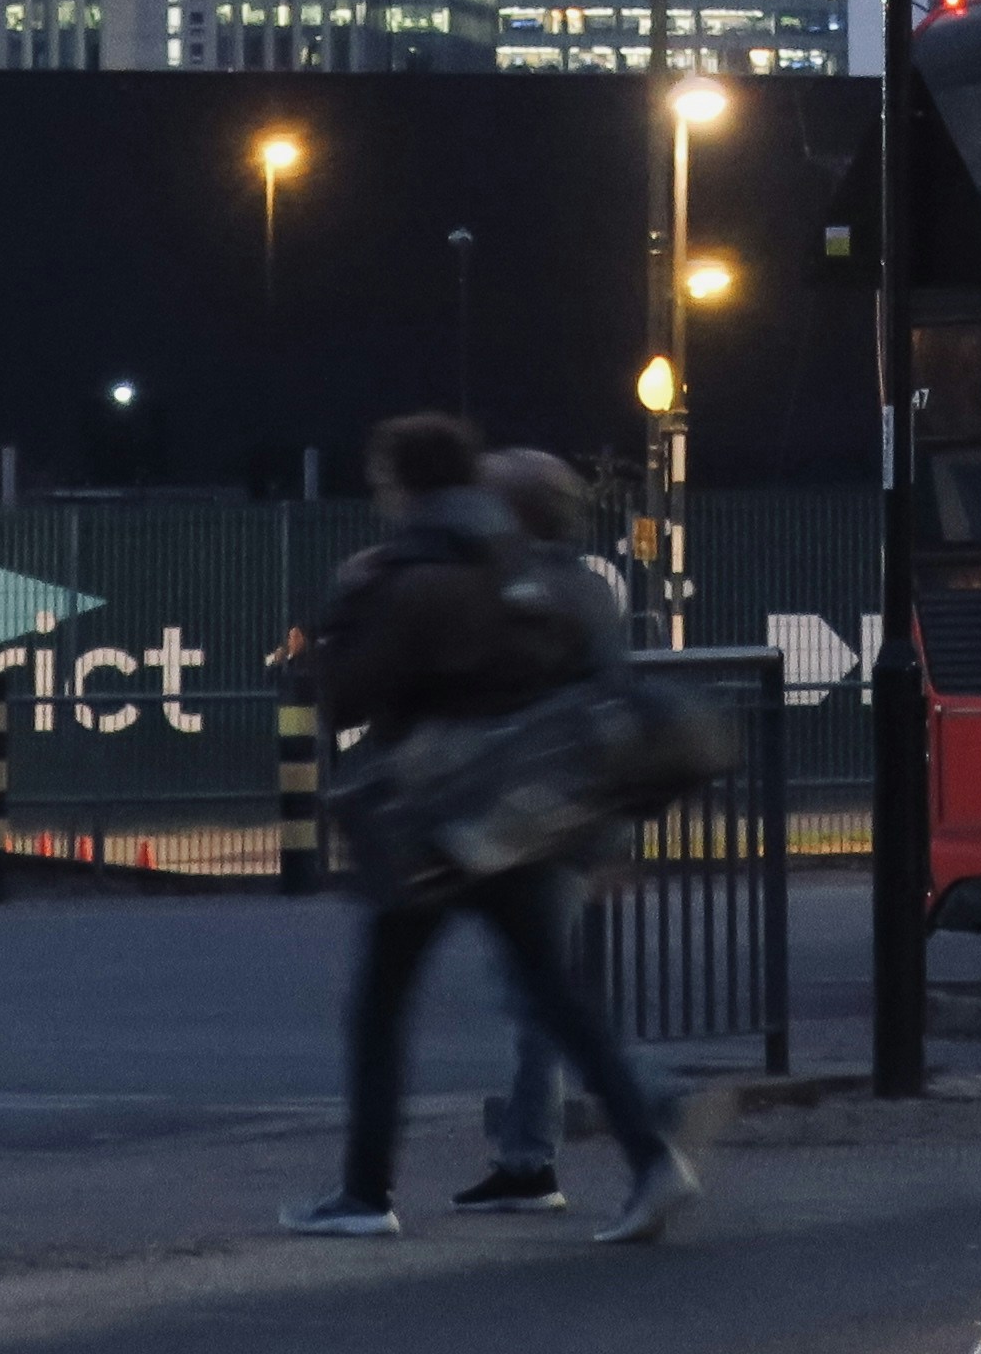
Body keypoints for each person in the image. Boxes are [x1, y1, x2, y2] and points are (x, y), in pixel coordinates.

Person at [280, 412, 694, 1245]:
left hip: (429, 820)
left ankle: (365, 1193)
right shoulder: (533, 572)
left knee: (382, 1003)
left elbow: (343, 698)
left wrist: (339, 622)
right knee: (552, 991)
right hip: (517, 819)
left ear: (401, 483)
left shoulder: (412, 576)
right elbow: (589, 690)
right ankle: (651, 1157)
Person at [446, 447, 661, 1217]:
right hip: (562, 818)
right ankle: (530, 1156)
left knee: (542, 995)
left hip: (536, 820)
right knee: (539, 994)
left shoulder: (527, 593)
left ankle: (652, 1115)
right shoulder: (586, 591)